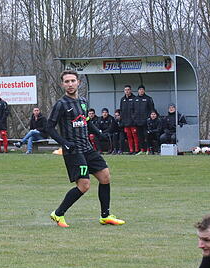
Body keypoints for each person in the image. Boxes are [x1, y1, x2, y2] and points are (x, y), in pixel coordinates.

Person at [45, 70, 125, 228]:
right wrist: (64, 142)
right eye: (66, 82)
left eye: (72, 81)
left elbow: (86, 121)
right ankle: (58, 213)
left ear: (78, 83)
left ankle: (105, 216)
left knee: (105, 176)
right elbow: (49, 127)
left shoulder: (83, 101)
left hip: (87, 148)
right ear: (62, 84)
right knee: (84, 185)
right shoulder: (61, 104)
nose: (70, 84)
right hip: (73, 151)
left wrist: (100, 133)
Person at [132, 85, 155, 155]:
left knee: (147, 136)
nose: (141, 91)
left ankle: (148, 149)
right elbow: (132, 110)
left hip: (146, 122)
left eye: (142, 89)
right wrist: (134, 118)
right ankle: (142, 150)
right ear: (138, 91)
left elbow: (152, 110)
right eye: (140, 89)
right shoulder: (135, 99)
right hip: (137, 122)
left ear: (144, 90)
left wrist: (148, 119)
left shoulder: (148, 99)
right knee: (140, 137)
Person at [119, 85, 137, 154]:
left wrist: (134, 118)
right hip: (125, 122)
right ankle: (131, 150)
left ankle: (136, 150)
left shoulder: (134, 98)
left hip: (133, 122)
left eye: (128, 89)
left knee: (135, 136)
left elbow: (136, 110)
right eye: (125, 90)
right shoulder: (122, 99)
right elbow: (121, 110)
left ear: (131, 90)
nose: (127, 91)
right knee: (129, 137)